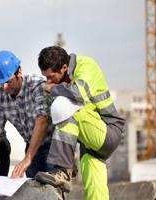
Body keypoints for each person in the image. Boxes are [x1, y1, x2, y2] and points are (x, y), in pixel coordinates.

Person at [35, 46, 126, 200]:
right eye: (45, 77)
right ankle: (67, 166)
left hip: (108, 131)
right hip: (89, 144)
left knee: (64, 106)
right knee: (95, 193)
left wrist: (53, 88)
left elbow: (77, 94)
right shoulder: (64, 78)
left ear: (64, 67)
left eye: (51, 77)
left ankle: (64, 170)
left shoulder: (86, 66)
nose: (48, 81)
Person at [0, 50, 54, 178]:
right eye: (1, 83)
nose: (4, 87)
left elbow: (42, 121)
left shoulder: (37, 86)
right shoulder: (0, 98)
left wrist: (27, 159)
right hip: (31, 148)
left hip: (53, 147)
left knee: (53, 193)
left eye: (8, 81)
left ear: (19, 72)